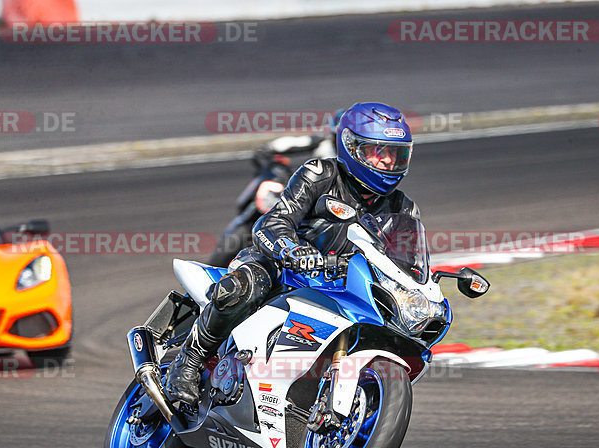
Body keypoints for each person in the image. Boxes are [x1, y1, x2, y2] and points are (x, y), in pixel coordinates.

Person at [165, 102, 419, 406]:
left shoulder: (403, 208)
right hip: (282, 267)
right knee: (246, 286)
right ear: (352, 147)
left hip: (338, 287)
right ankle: (189, 361)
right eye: (378, 153)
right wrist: (294, 251)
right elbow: (273, 221)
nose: (388, 163)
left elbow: (409, 265)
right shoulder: (320, 173)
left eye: (396, 154)